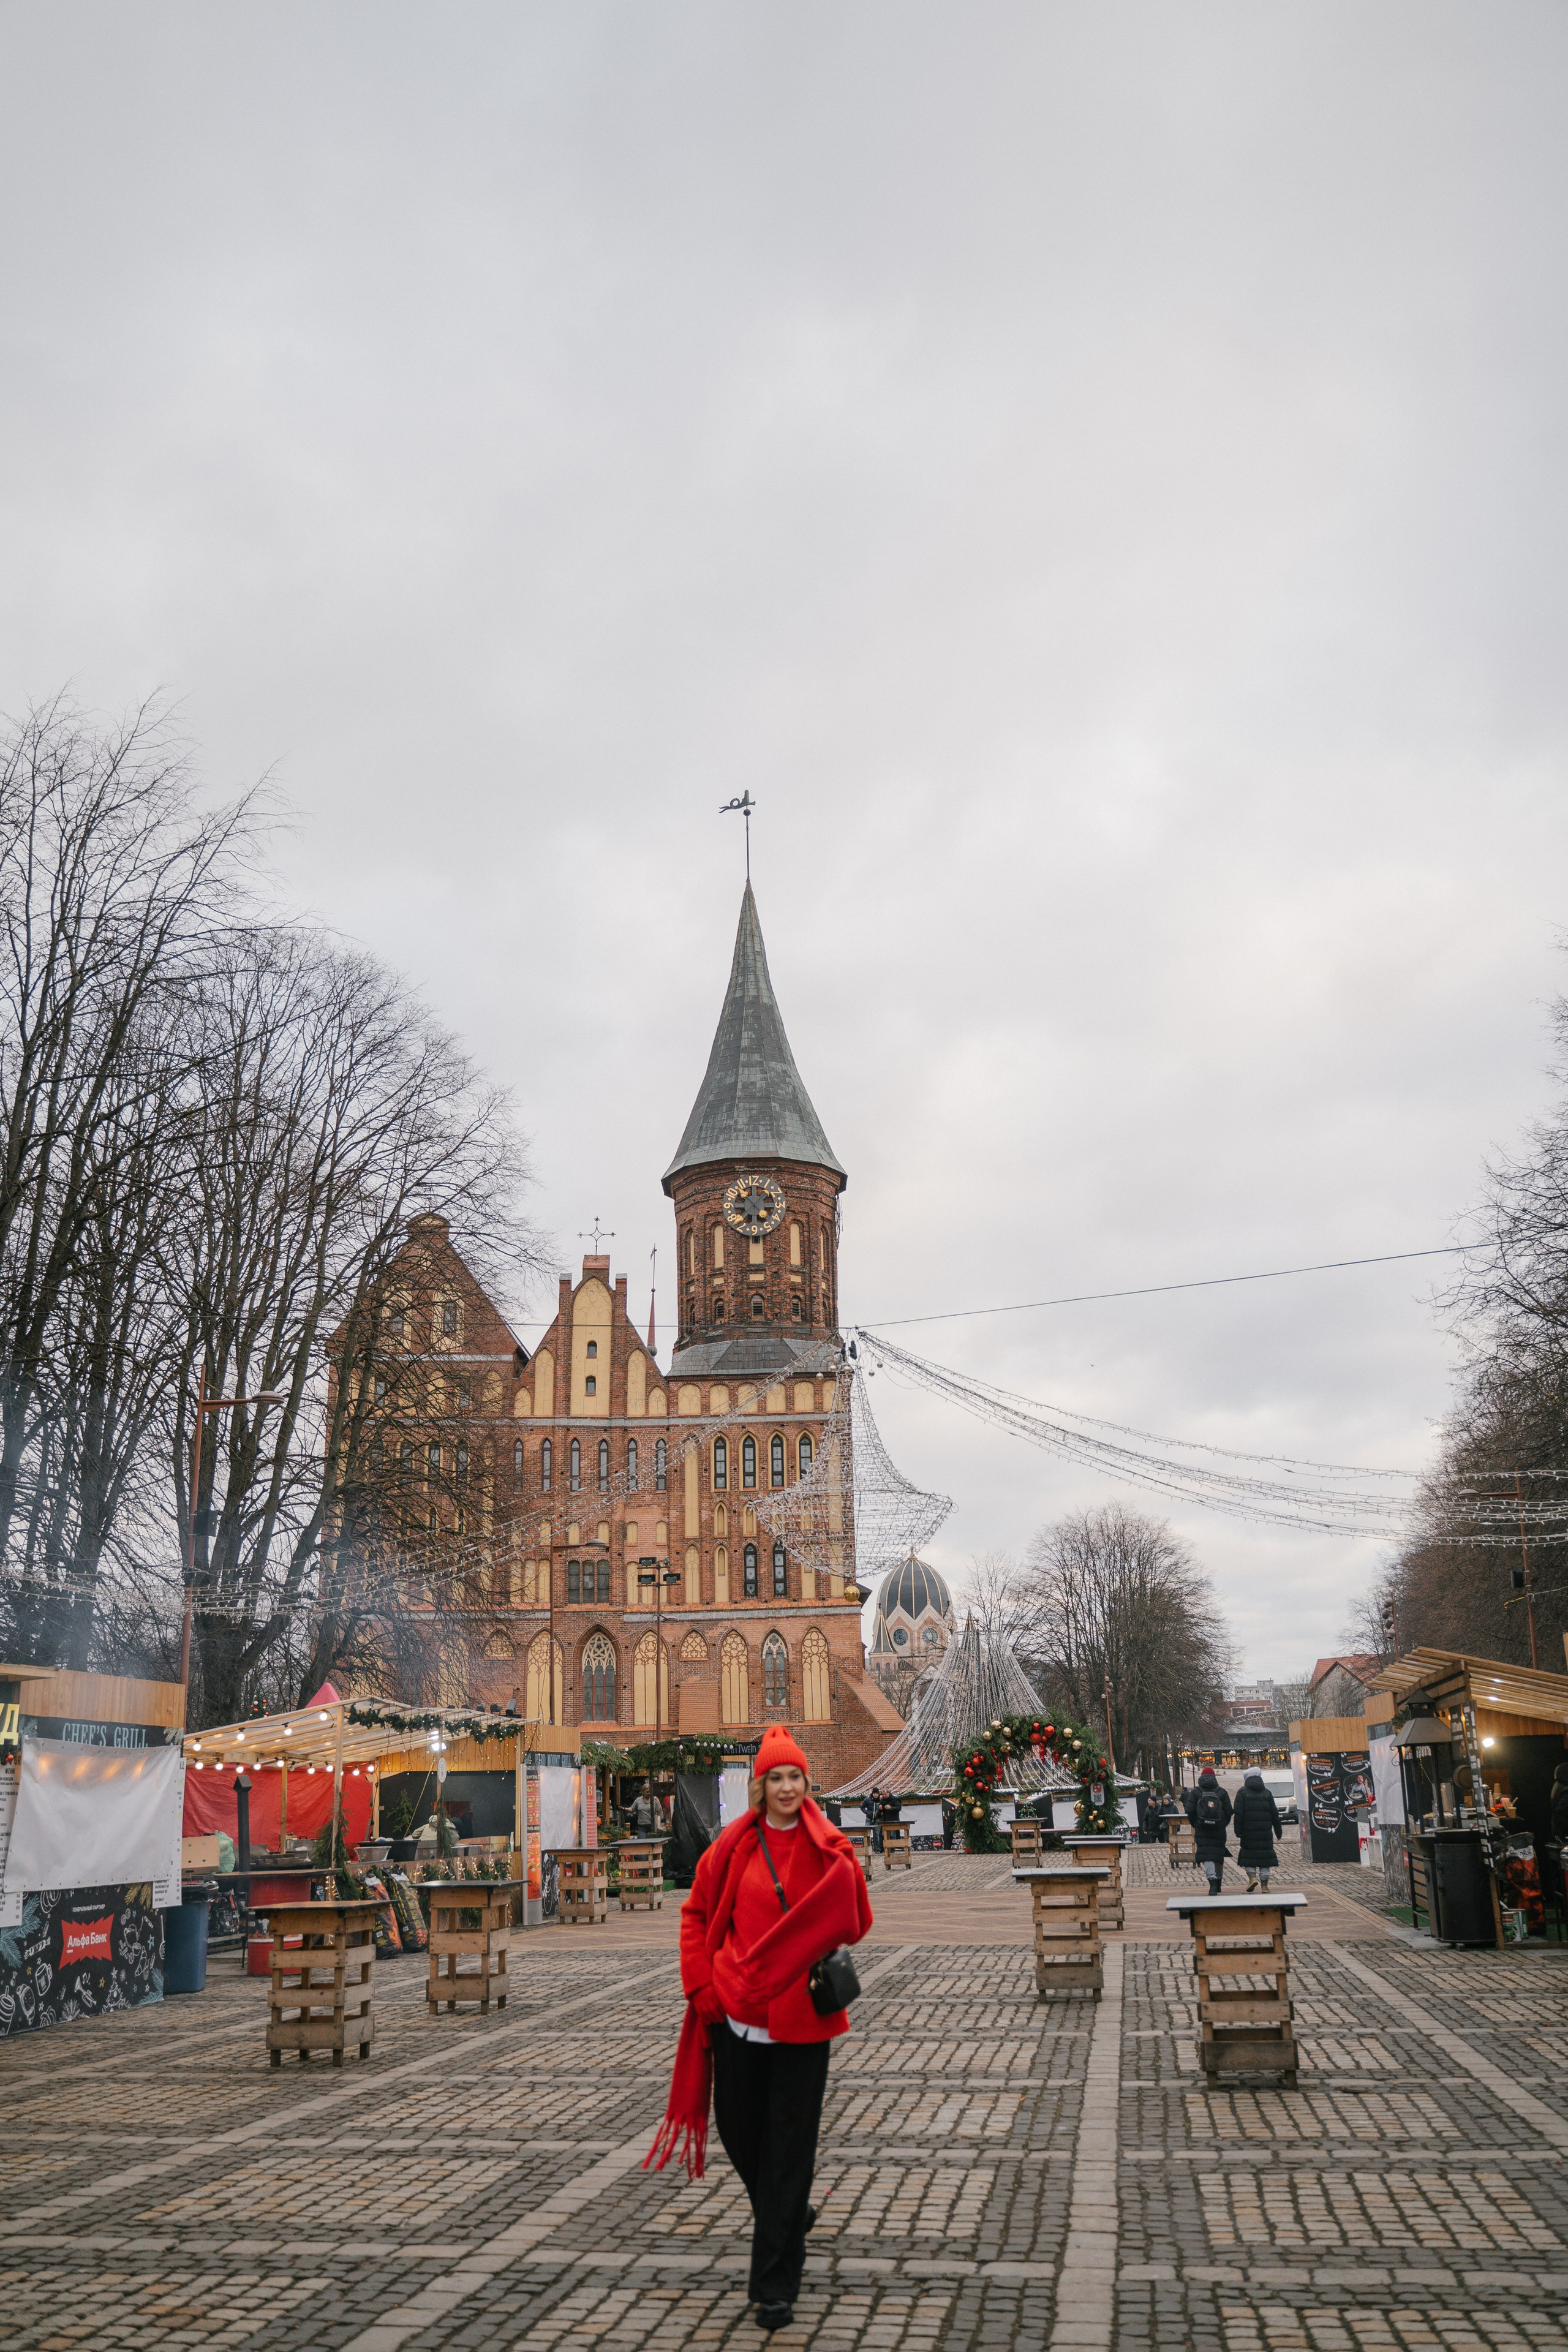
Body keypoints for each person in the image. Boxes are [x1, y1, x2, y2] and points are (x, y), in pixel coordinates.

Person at [646, 1725, 872, 2333]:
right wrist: (701, 1984)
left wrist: (845, 1866)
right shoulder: (732, 1847)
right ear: (760, 1786)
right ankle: (787, 2211)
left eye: (794, 1776)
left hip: (802, 2018)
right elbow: (696, 1915)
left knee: (789, 2148)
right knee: (741, 2133)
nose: (786, 1787)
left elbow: (856, 1922)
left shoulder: (826, 1846)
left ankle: (774, 2285)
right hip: (738, 2015)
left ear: (806, 1783)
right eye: (776, 1777)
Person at [1231, 1766, 1283, 1892]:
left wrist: (1238, 1831)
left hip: (1248, 1833)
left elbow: (1239, 1814)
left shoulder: (1242, 1793)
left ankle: (1252, 1878)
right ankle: (1264, 1885)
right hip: (1265, 1833)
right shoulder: (1267, 1793)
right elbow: (1275, 1814)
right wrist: (1278, 1831)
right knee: (1265, 1859)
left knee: (1249, 1857)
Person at [1184, 1766, 1234, 1893]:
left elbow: (1189, 1810)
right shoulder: (1221, 1792)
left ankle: (1212, 1883)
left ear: (1201, 1777)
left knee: (1207, 1856)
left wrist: (1196, 1824)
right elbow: (1229, 1812)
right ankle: (1219, 1882)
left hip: (1202, 1829)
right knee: (1218, 1855)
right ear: (1214, 1777)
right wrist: (1223, 1824)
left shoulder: (1195, 1792)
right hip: (1219, 1830)